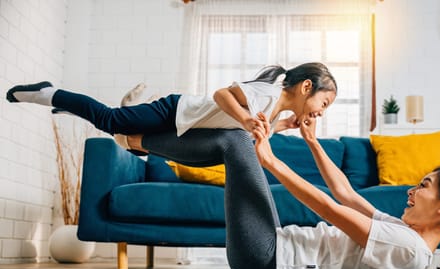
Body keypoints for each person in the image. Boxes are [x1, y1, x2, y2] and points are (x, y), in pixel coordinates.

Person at [250, 113, 440, 269]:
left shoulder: (408, 248)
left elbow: (329, 208)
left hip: (270, 258)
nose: (410, 191)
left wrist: (270, 161)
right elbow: (346, 194)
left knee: (235, 143)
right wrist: (312, 141)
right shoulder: (405, 234)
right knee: (238, 144)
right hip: (276, 247)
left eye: (423, 186)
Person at [6, 62, 337, 154]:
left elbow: (243, 126)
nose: (321, 111)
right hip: (174, 110)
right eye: (323, 102)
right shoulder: (266, 93)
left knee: (127, 138)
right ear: (306, 87)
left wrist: (281, 127)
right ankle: (48, 94)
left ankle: (73, 109)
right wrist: (248, 118)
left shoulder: (275, 110)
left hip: (183, 125)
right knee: (110, 119)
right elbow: (222, 94)